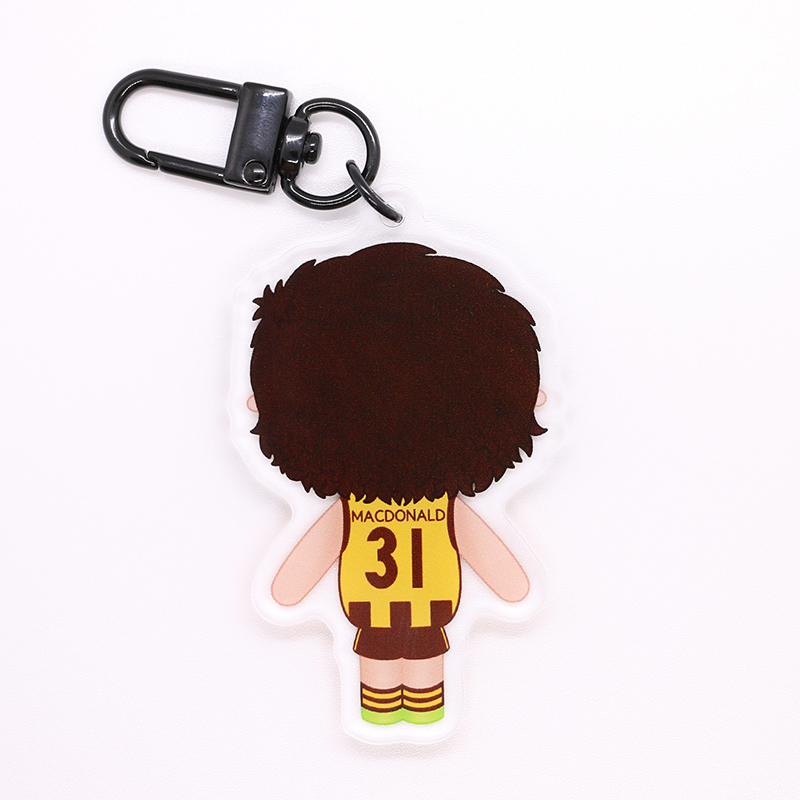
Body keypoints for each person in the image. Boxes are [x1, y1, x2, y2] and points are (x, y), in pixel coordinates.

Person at [247, 242, 546, 725]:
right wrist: (513, 587)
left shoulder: (353, 508)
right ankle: (410, 721)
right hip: (425, 614)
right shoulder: (443, 505)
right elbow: (510, 582)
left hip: (375, 616)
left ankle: (394, 720)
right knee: (419, 698)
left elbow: (289, 586)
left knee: (384, 699)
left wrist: (288, 591)